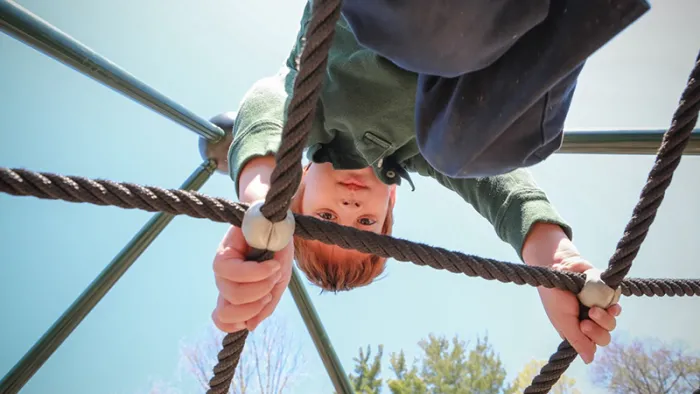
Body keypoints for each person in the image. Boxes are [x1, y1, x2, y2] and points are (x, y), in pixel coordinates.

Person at [210, 1, 625, 364]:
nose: (351, 210)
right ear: (391, 201)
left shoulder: (311, 109)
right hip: (485, 29)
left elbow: (267, 104)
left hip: (390, 16)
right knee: (471, 153)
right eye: (366, 225)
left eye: (326, 216)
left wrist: (264, 200)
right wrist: (553, 258)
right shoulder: (421, 147)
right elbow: (500, 192)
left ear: (297, 189)